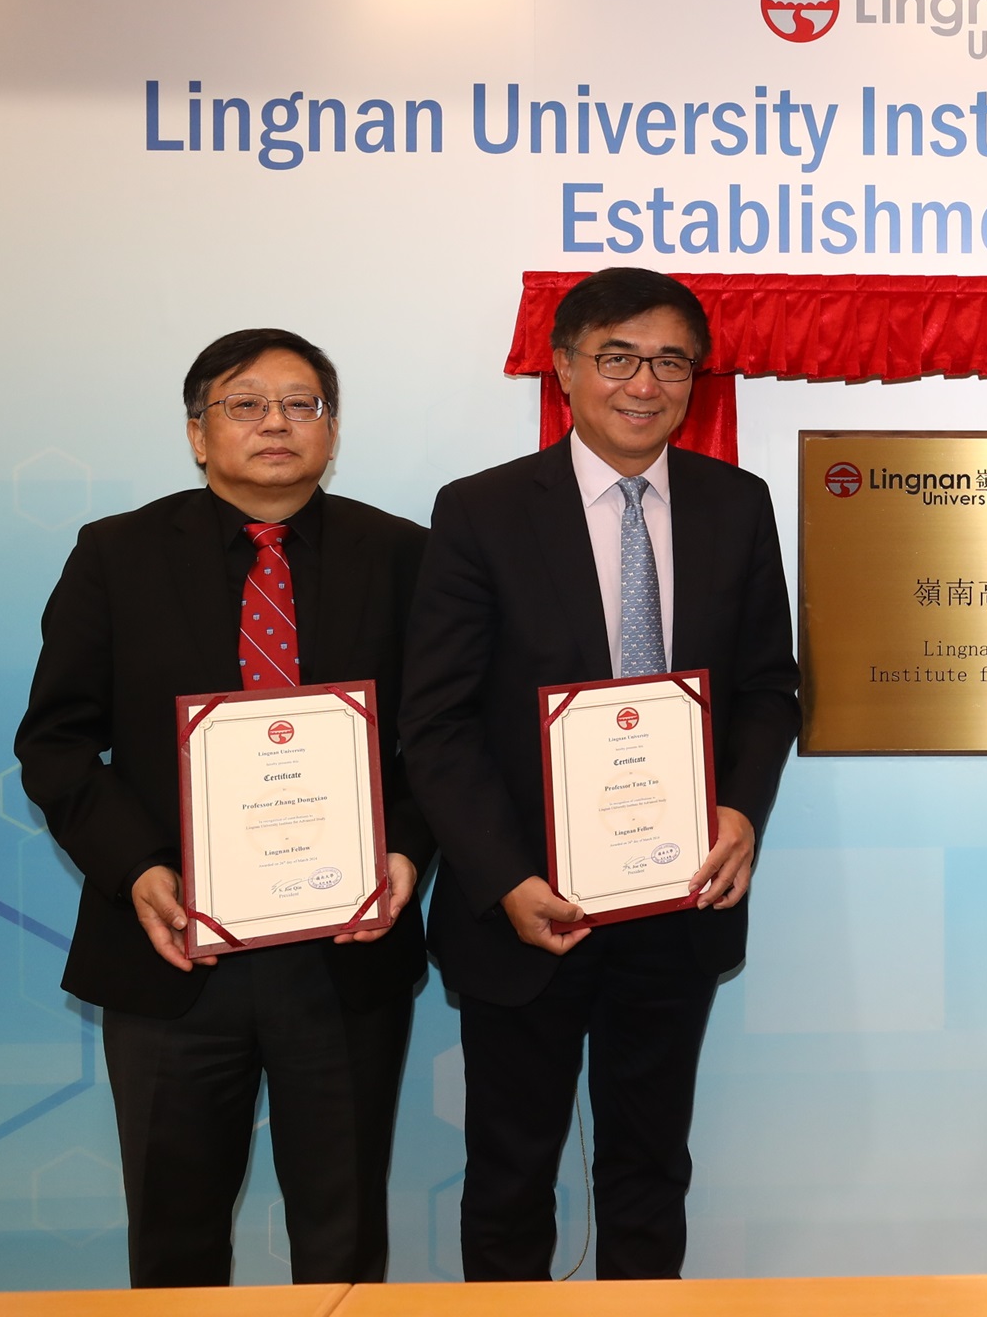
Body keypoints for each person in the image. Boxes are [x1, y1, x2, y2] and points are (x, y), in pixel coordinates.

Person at [399, 265, 800, 1281]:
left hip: (676, 897)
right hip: (527, 905)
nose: (644, 382)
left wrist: (741, 812)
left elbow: (769, 690)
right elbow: (436, 721)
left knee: (649, 1166)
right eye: (617, 356)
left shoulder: (736, 505)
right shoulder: (482, 512)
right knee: (509, 1170)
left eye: (672, 361)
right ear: (566, 369)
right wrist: (505, 878)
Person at [15, 328, 432, 1288]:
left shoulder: (403, 555)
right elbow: (57, 741)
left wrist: (406, 850)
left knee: (343, 1240)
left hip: (345, 951)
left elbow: (438, 740)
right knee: (174, 1241)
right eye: (246, 404)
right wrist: (138, 872)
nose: (277, 423)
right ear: (199, 435)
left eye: (302, 404)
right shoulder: (115, 554)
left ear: (332, 430)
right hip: (172, 951)